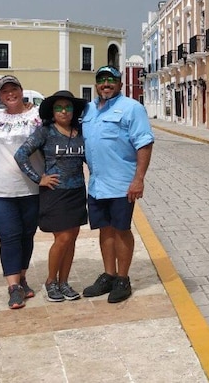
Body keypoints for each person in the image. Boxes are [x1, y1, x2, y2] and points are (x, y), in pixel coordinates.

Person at [81, 65, 153, 303]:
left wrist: (138, 179)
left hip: (122, 184)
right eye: (101, 80)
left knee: (121, 230)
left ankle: (123, 279)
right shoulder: (89, 109)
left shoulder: (132, 108)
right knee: (105, 229)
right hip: (97, 184)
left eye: (111, 80)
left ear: (120, 84)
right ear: (96, 84)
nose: (106, 84)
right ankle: (108, 275)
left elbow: (144, 143)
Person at [15, 90, 87, 302]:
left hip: (77, 191)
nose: (64, 111)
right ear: (52, 112)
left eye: (68, 107)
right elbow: (20, 155)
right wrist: (39, 179)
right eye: (59, 107)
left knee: (72, 239)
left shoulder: (79, 131)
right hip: (56, 193)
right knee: (62, 238)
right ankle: (50, 281)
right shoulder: (45, 132)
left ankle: (64, 281)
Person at [0, 75, 43, 309]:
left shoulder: (36, 116)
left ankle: (23, 277)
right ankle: (13, 287)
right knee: (9, 237)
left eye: (14, 89)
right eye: (4, 91)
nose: (10, 94)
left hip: (32, 189)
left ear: (21, 90)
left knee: (27, 236)